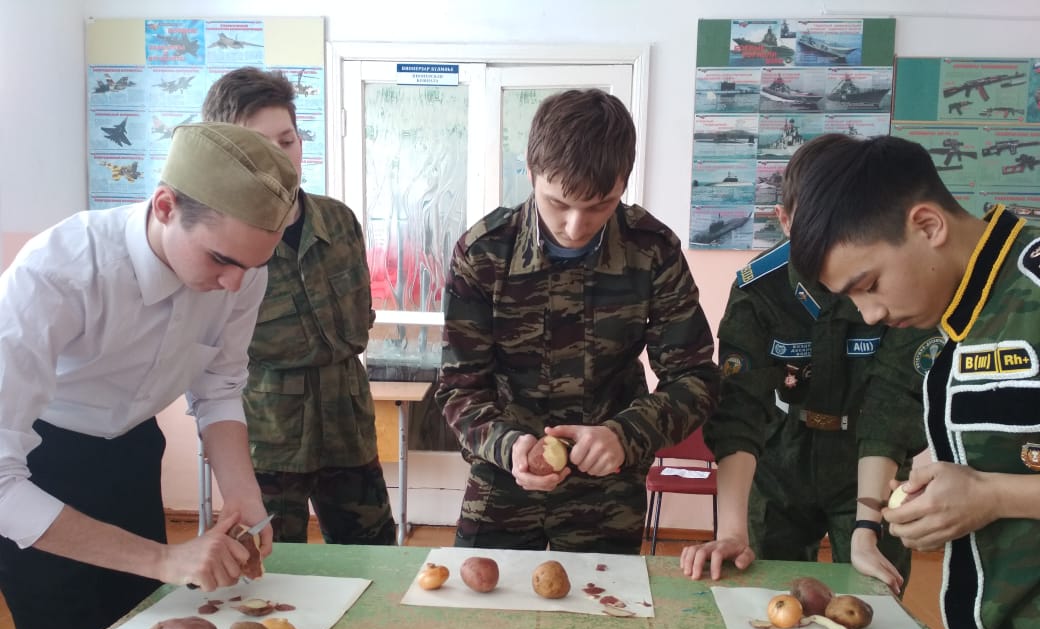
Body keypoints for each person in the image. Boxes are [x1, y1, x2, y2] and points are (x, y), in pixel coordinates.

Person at [0, 122, 298, 629]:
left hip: (131, 454)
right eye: (221, 261)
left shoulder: (239, 271)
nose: (234, 285)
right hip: (39, 471)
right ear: (165, 206)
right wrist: (165, 557)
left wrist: (245, 499)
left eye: (251, 267)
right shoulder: (61, 270)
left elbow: (219, 388)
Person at [786, 132, 1040, 629]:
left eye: (869, 284)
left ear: (927, 225)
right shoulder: (961, 314)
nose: (870, 314)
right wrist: (950, 468)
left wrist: (993, 495)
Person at [436, 88, 720, 554]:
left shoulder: (652, 251)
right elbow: (458, 388)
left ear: (623, 184)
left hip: (608, 487)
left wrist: (626, 435)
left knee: (605, 601)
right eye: (557, 203)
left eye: (599, 206)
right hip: (505, 480)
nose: (574, 226)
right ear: (531, 173)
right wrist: (509, 446)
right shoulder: (484, 253)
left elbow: (695, 379)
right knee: (484, 597)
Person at [680, 134, 941, 594]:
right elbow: (741, 405)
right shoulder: (759, 289)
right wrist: (731, 531)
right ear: (784, 221)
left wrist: (867, 525)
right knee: (764, 597)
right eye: (811, 229)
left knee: (875, 599)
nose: (826, 246)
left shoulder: (898, 285)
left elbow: (892, 404)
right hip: (781, 458)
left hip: (870, 457)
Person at [202, 67, 396, 546]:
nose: (280, 158)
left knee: (373, 559)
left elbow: (360, 319)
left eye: (287, 141)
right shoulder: (219, 242)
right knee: (271, 567)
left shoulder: (338, 221)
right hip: (269, 440)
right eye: (259, 146)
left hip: (348, 429)